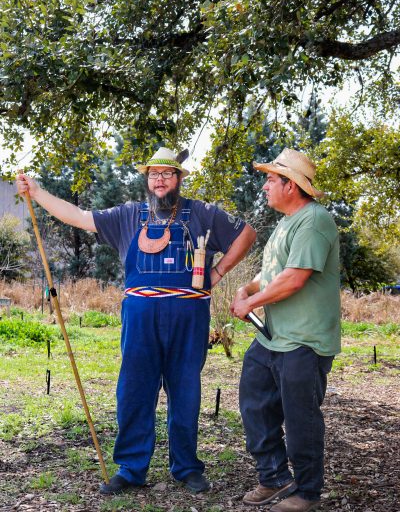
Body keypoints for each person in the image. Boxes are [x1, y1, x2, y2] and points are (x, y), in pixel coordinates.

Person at [17, 147, 256, 496]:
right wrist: (38, 193)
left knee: (186, 391)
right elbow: (79, 216)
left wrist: (218, 271)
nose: (160, 180)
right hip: (141, 317)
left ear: (179, 178)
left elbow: (246, 233)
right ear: (147, 180)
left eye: (167, 174)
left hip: (188, 317)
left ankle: (187, 467)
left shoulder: (202, 213)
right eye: (153, 174)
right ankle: (131, 468)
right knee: (134, 390)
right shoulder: (128, 214)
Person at [231, 148, 341, 512]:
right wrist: (248, 289)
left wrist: (253, 302)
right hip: (273, 337)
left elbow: (294, 279)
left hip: (304, 341)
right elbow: (276, 272)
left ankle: (307, 492)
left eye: (271, 179)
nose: (264, 186)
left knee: (300, 418)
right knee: (253, 402)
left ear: (291, 185)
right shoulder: (286, 223)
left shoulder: (315, 220)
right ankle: (275, 477)